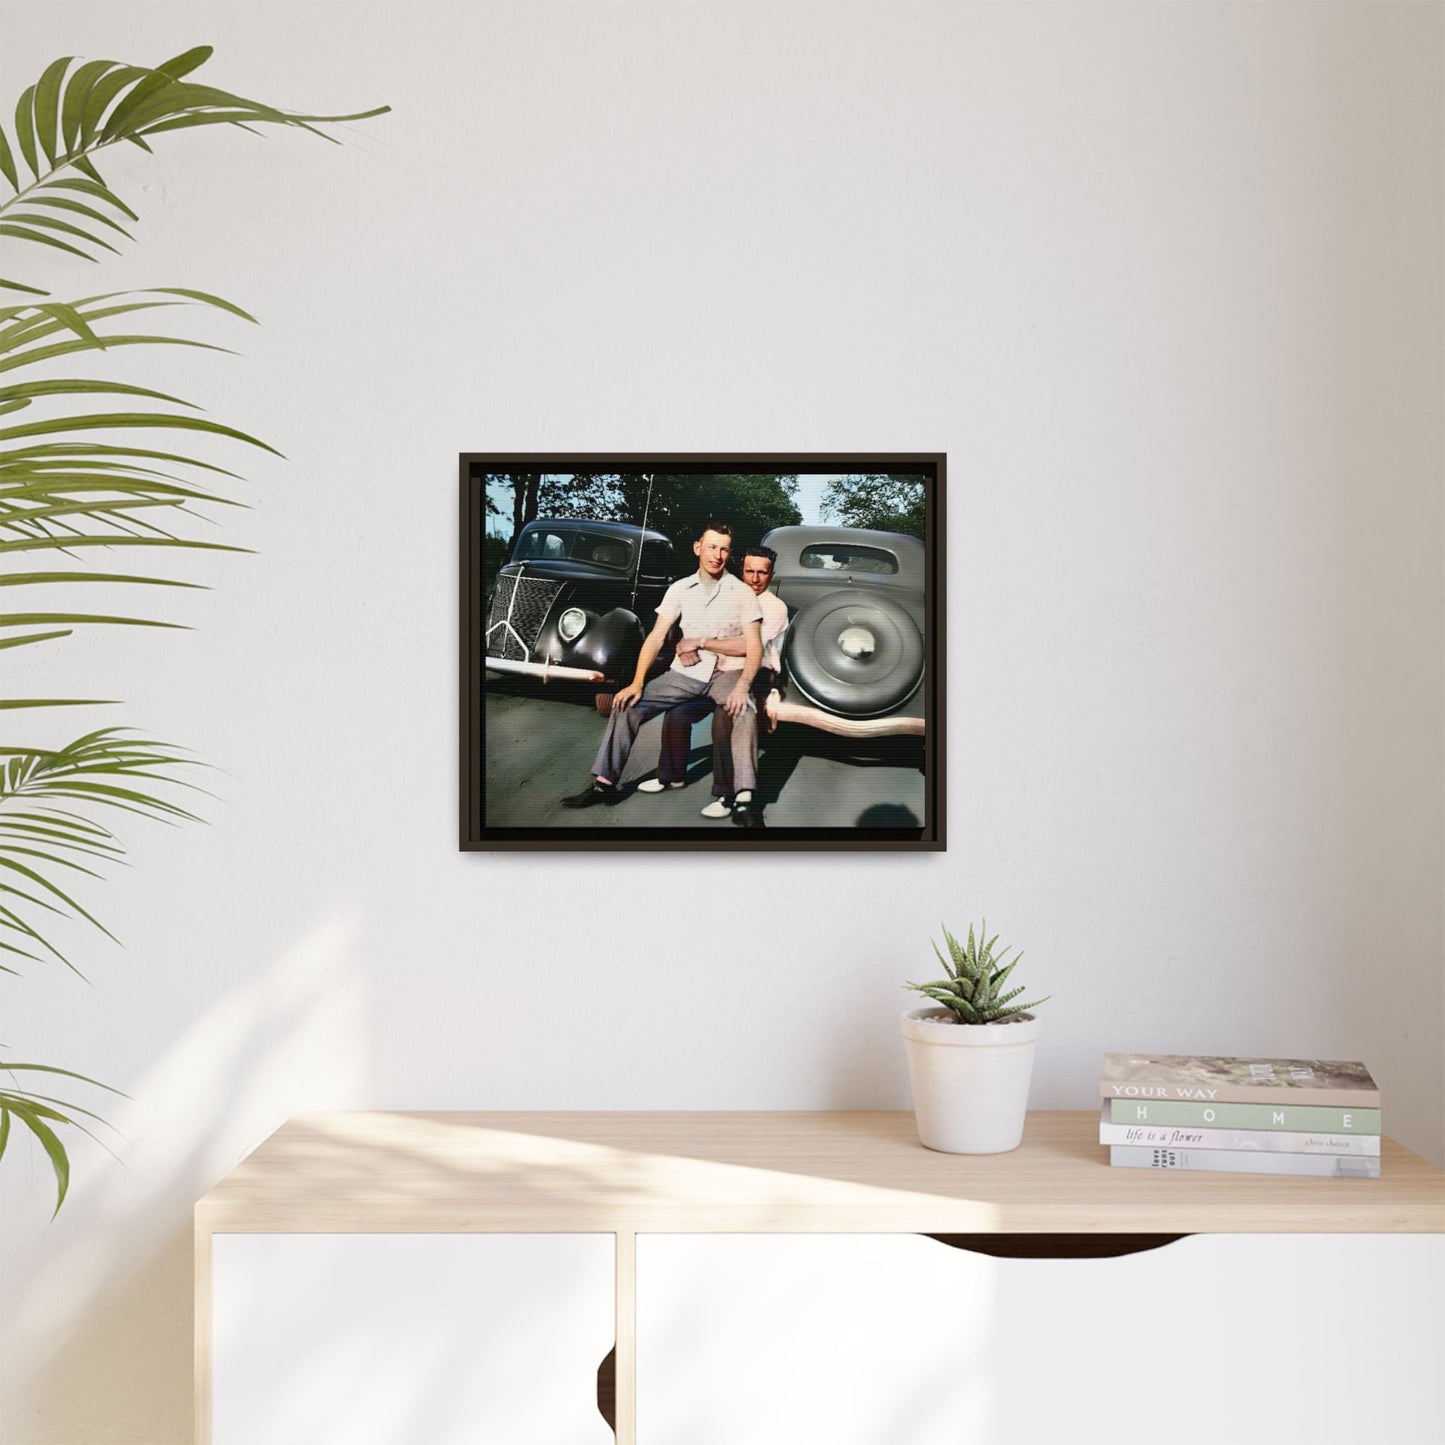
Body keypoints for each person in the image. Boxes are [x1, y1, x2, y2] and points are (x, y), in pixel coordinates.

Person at [561, 521, 762, 809]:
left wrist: (743, 686)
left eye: (724, 549)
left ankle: (744, 797)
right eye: (711, 547)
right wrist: (637, 683)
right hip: (686, 673)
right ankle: (604, 785)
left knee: (745, 708)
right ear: (698, 548)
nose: (717, 555)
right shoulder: (680, 589)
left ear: (730, 554)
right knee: (626, 704)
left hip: (726, 673)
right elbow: (655, 637)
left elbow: (754, 644)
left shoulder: (741, 591)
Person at [635, 545, 788, 828]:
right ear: (741, 571)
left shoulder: (774, 607)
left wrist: (703, 643)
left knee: (725, 717)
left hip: (757, 675)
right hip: (718, 672)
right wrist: (687, 648)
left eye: (762, 573)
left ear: (772, 575)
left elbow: (746, 648)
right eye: (749, 571)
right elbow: (699, 634)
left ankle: (729, 796)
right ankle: (671, 776)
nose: (755, 579)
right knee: (678, 713)